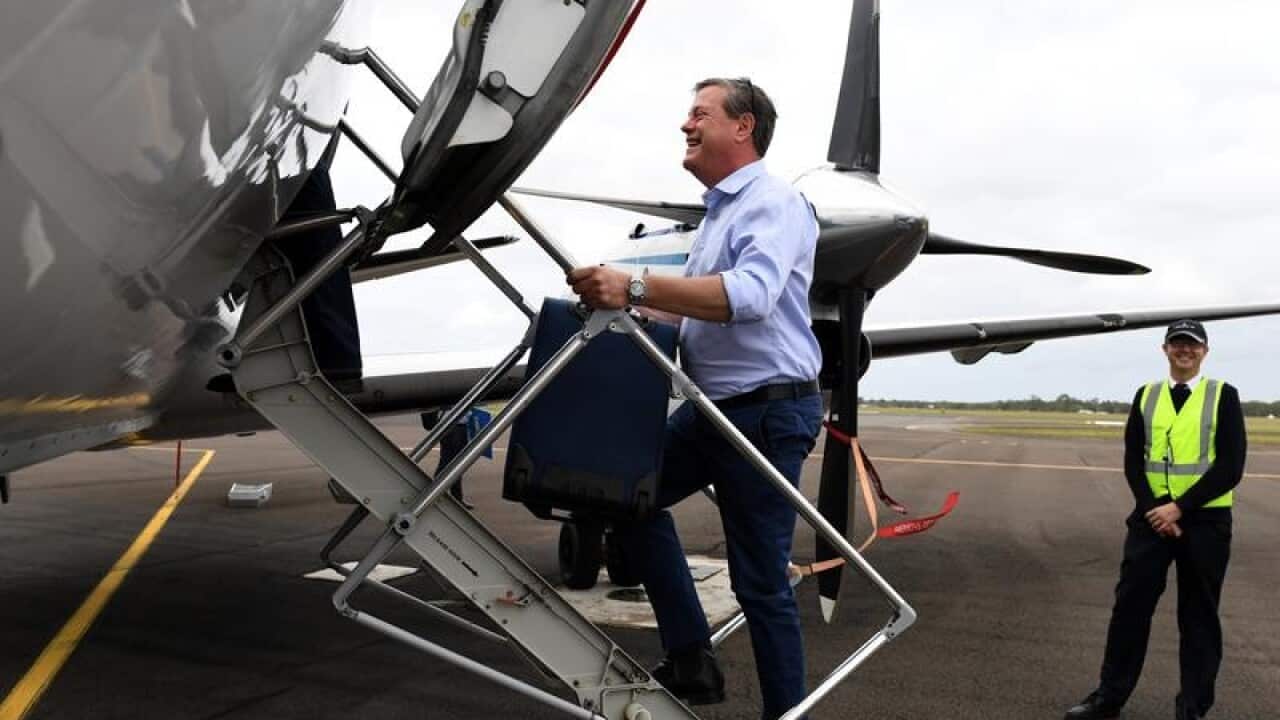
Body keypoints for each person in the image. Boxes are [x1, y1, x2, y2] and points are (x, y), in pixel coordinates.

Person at [567, 77, 822, 720]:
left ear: (743, 127)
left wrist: (634, 285)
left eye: (699, 113)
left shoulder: (773, 200)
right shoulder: (717, 214)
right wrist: (618, 305)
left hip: (764, 412)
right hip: (715, 412)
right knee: (625, 495)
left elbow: (751, 295)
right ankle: (690, 660)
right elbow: (692, 315)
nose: (686, 124)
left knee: (761, 583)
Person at [1065, 319, 1245, 720]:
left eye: (1192, 345)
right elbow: (1133, 459)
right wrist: (1155, 509)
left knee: (1199, 616)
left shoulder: (1223, 396)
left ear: (1205, 351)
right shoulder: (1146, 395)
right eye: (1177, 343)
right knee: (1129, 609)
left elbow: (1231, 466)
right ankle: (1109, 697)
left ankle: (1192, 709)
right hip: (1151, 521)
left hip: (1205, 522)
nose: (1185, 350)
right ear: (1164, 349)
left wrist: (1179, 507)